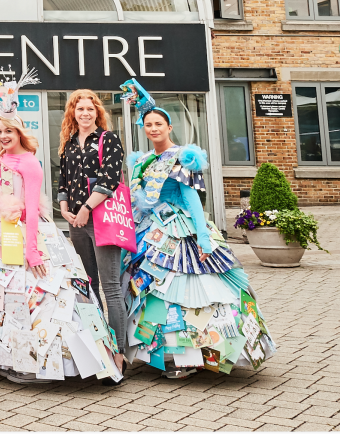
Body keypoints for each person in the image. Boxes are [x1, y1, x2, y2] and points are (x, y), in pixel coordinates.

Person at [0, 71, 122, 385]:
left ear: (19, 133)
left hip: (30, 236)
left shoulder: (29, 162)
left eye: (8, 131)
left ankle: (56, 360)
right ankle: (11, 358)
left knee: (44, 296)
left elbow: (30, 211)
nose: (3, 136)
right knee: (6, 295)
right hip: (0, 239)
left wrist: (32, 252)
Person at [121, 79, 275, 379]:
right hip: (150, 229)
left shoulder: (181, 157)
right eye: (148, 124)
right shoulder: (143, 160)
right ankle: (161, 352)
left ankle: (194, 354)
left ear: (169, 127)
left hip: (180, 229)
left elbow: (192, 198)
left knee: (185, 286)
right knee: (154, 288)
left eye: (158, 124)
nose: (153, 129)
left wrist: (203, 238)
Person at [56, 89, 127, 377]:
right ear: (72, 112)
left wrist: (86, 207)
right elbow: (64, 179)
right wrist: (64, 207)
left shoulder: (107, 139)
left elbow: (110, 177)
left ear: (98, 112)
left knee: (110, 287)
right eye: (79, 109)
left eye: (90, 109)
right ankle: (100, 347)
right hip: (76, 222)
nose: (85, 113)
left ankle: (119, 354)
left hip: (101, 219)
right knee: (89, 286)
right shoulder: (69, 143)